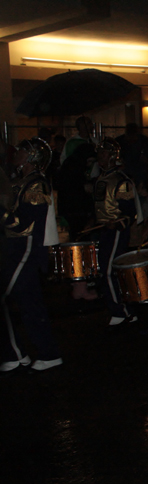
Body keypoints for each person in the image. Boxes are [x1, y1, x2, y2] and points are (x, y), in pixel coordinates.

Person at [0, 138, 63, 372]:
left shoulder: (37, 185)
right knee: (29, 304)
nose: (17, 153)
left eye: (22, 150)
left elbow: (24, 223)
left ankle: (20, 354)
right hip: (15, 248)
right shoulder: (20, 182)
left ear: (34, 156)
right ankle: (27, 354)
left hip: (25, 247)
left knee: (21, 303)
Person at [93, 137, 140, 327]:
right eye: (99, 152)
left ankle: (125, 311)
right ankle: (117, 309)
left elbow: (129, 212)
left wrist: (117, 223)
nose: (100, 156)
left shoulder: (121, 181)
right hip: (103, 230)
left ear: (113, 156)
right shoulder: (100, 179)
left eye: (104, 153)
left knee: (109, 271)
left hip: (116, 232)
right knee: (104, 271)